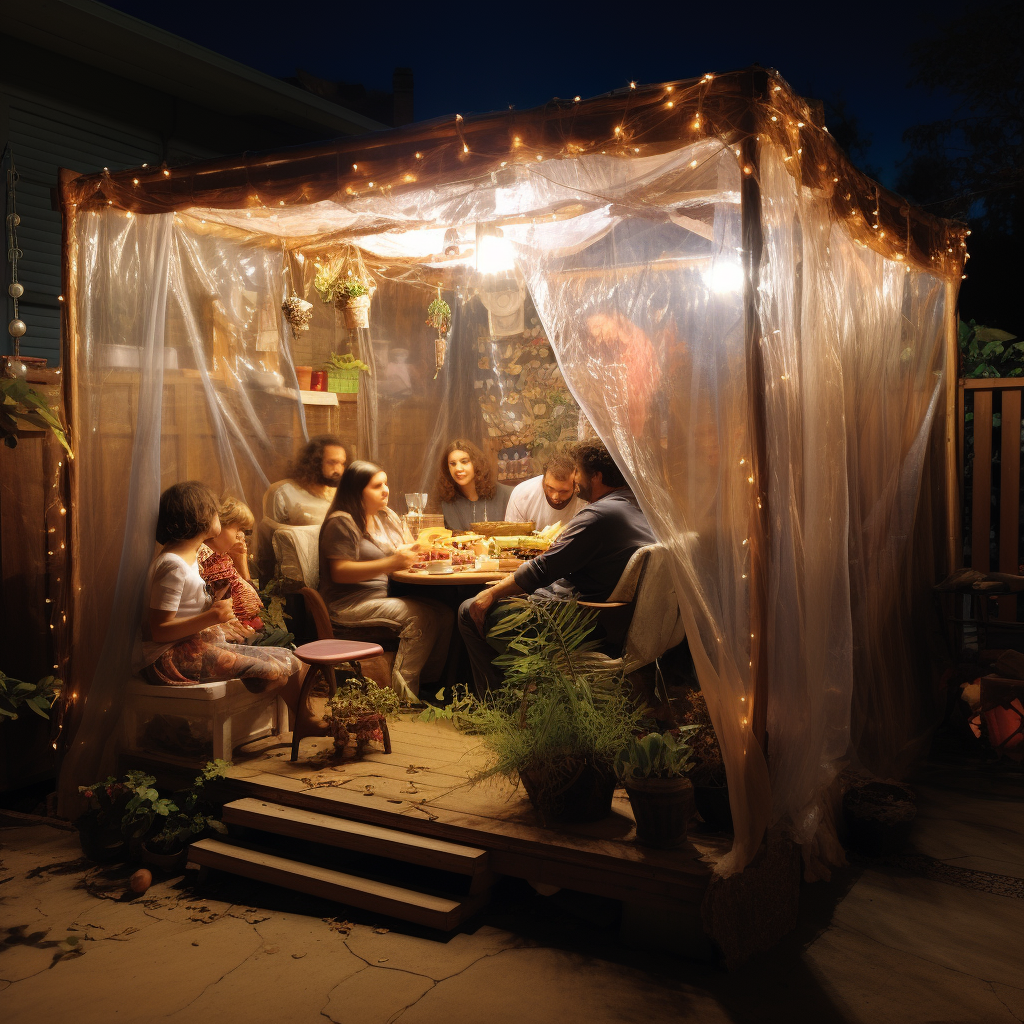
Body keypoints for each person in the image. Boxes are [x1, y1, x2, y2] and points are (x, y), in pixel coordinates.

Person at [459, 440, 654, 693]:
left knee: (468, 609)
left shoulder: (599, 515)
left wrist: (492, 592)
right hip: (616, 620)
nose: (575, 480)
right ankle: (528, 690)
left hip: (579, 623)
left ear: (596, 476)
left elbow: (542, 568)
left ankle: (502, 703)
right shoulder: (638, 507)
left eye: (579, 473)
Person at [134, 482, 318, 730]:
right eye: (214, 511)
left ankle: (304, 720)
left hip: (194, 644)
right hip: (167, 658)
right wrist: (213, 616)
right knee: (275, 671)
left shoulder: (191, 555)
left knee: (290, 659)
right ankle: (258, 699)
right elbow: (158, 631)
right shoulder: (172, 565)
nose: (217, 517)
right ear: (199, 517)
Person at [319, 461, 454, 701]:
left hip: (383, 595)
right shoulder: (341, 521)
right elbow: (339, 571)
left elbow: (404, 547)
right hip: (349, 605)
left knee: (445, 613)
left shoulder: (383, 516)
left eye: (386, 483)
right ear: (356, 490)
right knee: (420, 617)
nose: (386, 490)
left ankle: (429, 687)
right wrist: (392, 563)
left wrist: (421, 549)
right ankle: (403, 695)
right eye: (377, 485)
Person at [198, 496, 264, 631]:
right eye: (238, 528)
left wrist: (241, 559)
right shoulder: (207, 559)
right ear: (217, 525)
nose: (241, 536)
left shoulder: (222, 556)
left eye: (244, 531)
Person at [503, 447, 588, 531]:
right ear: (543, 479)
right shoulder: (522, 494)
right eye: (550, 488)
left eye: (564, 491)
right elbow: (512, 535)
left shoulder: (584, 500)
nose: (555, 496)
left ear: (575, 486)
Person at [437, 439, 512, 531]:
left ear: (477, 463)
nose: (458, 469)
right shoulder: (445, 502)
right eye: (452, 464)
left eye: (464, 462)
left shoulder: (507, 495)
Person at [271, 435, 348, 526]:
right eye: (331, 463)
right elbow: (273, 536)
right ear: (315, 462)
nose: (339, 470)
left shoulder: (344, 494)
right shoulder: (284, 493)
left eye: (342, 463)